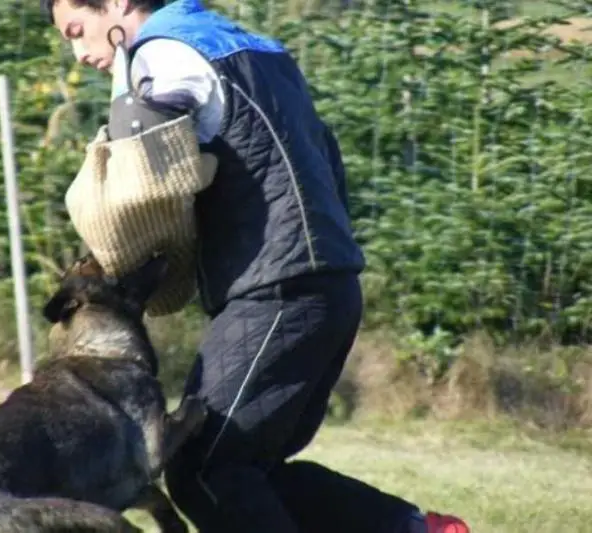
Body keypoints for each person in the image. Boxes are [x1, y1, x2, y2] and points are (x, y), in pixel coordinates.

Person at [41, 0, 472, 532]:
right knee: (247, 468)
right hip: (325, 280)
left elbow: (141, 185)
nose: (80, 53)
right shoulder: (258, 50)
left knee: (203, 467)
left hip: (278, 289)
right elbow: (326, 158)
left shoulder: (162, 55)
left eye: (79, 31)